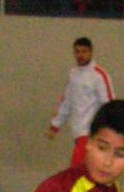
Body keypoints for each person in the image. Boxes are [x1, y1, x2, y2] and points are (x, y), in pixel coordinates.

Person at [47, 37, 114, 169]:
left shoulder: (99, 75)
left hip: (91, 134)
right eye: (77, 52)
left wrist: (109, 133)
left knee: (75, 174)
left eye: (84, 51)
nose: (80, 55)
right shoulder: (73, 74)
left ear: (91, 52)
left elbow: (110, 105)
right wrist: (55, 125)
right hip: (78, 135)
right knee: (85, 175)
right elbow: (66, 101)